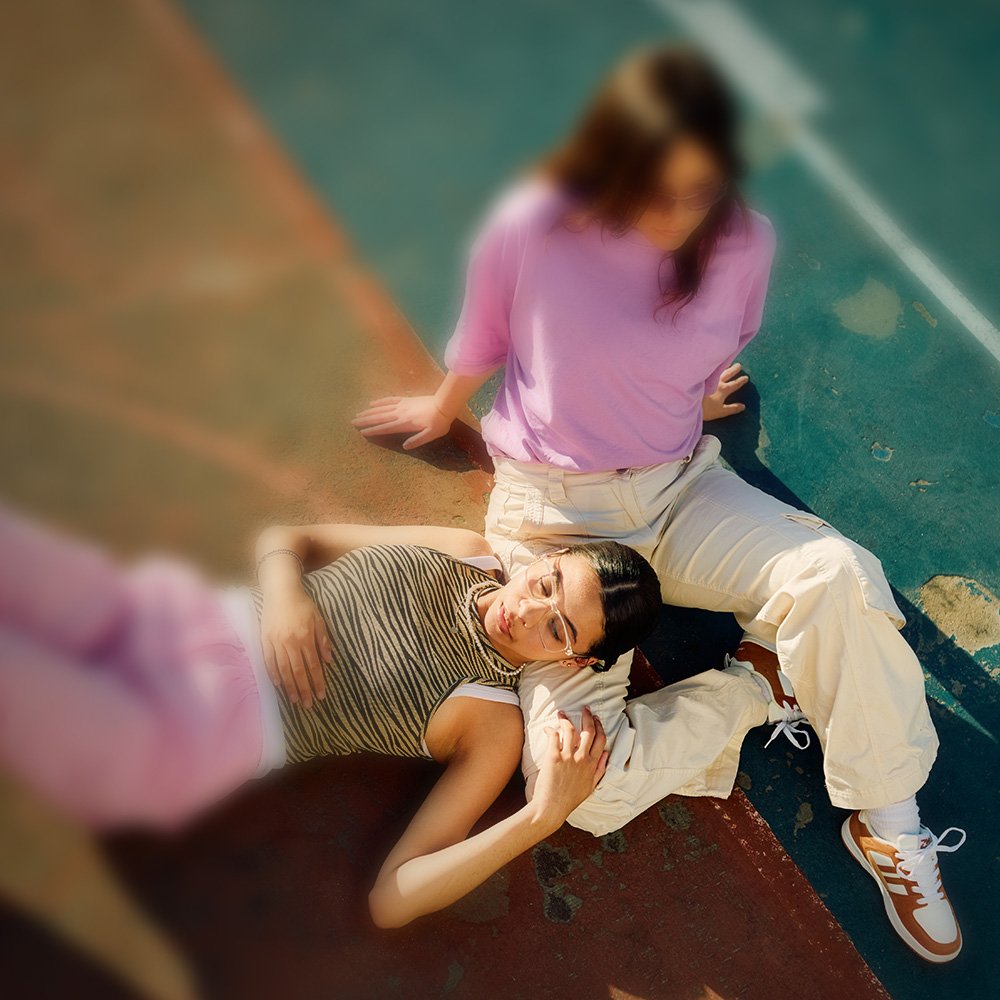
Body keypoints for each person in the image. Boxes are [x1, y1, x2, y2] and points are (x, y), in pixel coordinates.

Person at [354, 43, 966, 961]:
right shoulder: (537, 224)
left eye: (699, 188)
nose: (680, 213)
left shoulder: (745, 239)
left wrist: (685, 391)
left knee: (837, 574)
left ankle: (886, 815)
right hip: (553, 525)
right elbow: (484, 334)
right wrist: (443, 408)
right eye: (658, 188)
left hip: (678, 490)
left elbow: (721, 331)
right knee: (584, 789)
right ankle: (754, 682)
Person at [0, 504, 662, 928]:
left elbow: (394, 899)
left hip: (189, 734)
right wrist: (285, 593)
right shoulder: (464, 548)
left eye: (558, 630)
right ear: (547, 562)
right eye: (546, 585)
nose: (527, 613)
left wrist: (540, 818)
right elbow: (290, 535)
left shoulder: (492, 723)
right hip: (170, 618)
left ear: (575, 664)